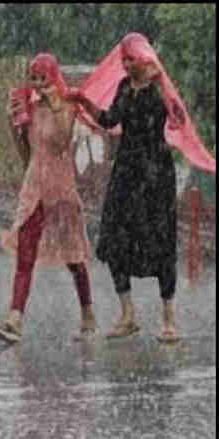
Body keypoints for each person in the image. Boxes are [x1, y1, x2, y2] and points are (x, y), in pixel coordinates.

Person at [72, 32, 216, 343]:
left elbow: (178, 119)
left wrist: (162, 83)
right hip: (126, 172)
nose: (125, 64)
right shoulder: (125, 87)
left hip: (155, 174)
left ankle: (169, 318)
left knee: (160, 242)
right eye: (123, 59)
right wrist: (84, 102)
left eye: (131, 59)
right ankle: (128, 314)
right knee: (113, 239)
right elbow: (110, 121)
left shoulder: (160, 88)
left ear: (144, 58)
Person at [0, 53, 99, 344]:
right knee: (25, 256)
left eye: (43, 78)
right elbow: (27, 156)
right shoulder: (31, 107)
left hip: (60, 189)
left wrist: (56, 104)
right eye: (33, 78)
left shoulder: (68, 105)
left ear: (53, 76)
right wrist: (15, 123)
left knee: (73, 256)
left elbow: (62, 142)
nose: (37, 84)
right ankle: (14, 319)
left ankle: (88, 313)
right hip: (34, 188)